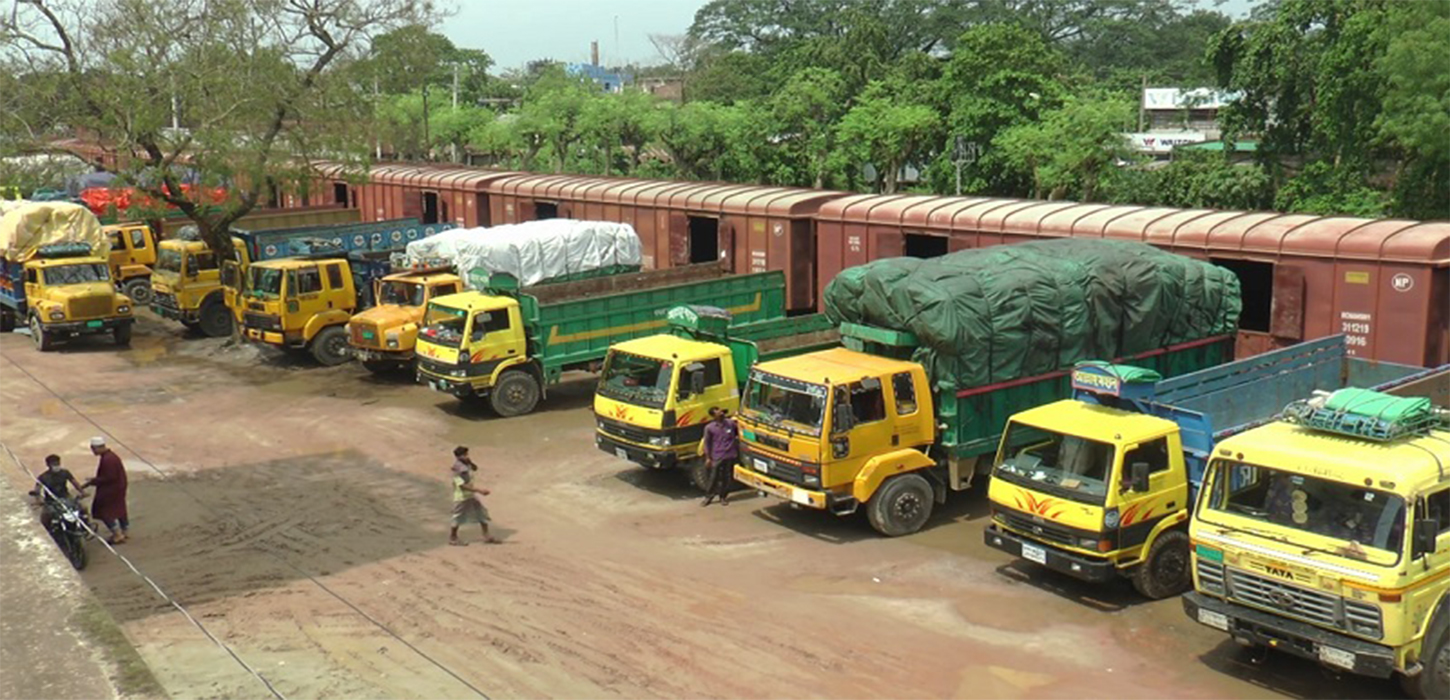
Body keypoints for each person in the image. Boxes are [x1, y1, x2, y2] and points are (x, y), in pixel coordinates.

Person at [82, 437, 128, 544]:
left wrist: (93, 481)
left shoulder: (108, 459)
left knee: (105, 511)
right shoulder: (110, 457)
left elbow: (109, 477)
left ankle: (118, 534)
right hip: (118, 487)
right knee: (120, 509)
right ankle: (124, 531)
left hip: (111, 489)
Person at [449, 447, 497, 546]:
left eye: (467, 454)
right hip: (461, 497)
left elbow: (475, 468)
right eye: (464, 455)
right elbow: (462, 486)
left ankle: (486, 536)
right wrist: (479, 490)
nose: (467, 456)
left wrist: (470, 462)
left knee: (481, 513)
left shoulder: (466, 465)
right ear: (458, 457)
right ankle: (453, 538)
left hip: (470, 496)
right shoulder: (457, 469)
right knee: (457, 517)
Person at [33, 454, 84, 532]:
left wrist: (82, 492)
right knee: (45, 518)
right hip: (51, 501)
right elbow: (37, 489)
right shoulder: (43, 477)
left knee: (83, 508)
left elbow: (75, 483)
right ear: (48, 465)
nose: (56, 466)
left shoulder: (65, 473)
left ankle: (85, 526)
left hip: (66, 497)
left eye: (57, 463)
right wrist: (38, 500)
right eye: (54, 464)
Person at [701, 407, 740, 507]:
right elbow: (707, 443)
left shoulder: (730, 424)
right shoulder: (709, 428)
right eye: (718, 413)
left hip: (730, 454)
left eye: (722, 412)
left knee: (726, 477)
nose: (722, 413)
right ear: (714, 416)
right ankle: (708, 497)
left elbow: (738, 433)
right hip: (717, 455)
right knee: (714, 477)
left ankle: (723, 497)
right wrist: (708, 458)